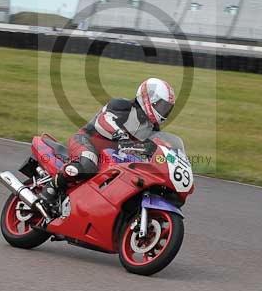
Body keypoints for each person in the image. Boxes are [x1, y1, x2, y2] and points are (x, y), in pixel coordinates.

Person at [46, 78, 176, 201]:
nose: (163, 112)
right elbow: (104, 121)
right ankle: (50, 189)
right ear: (149, 98)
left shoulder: (153, 128)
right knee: (88, 165)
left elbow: (158, 146)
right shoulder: (122, 105)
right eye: (161, 106)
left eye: (166, 109)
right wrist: (122, 136)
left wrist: (172, 156)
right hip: (88, 141)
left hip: (113, 155)